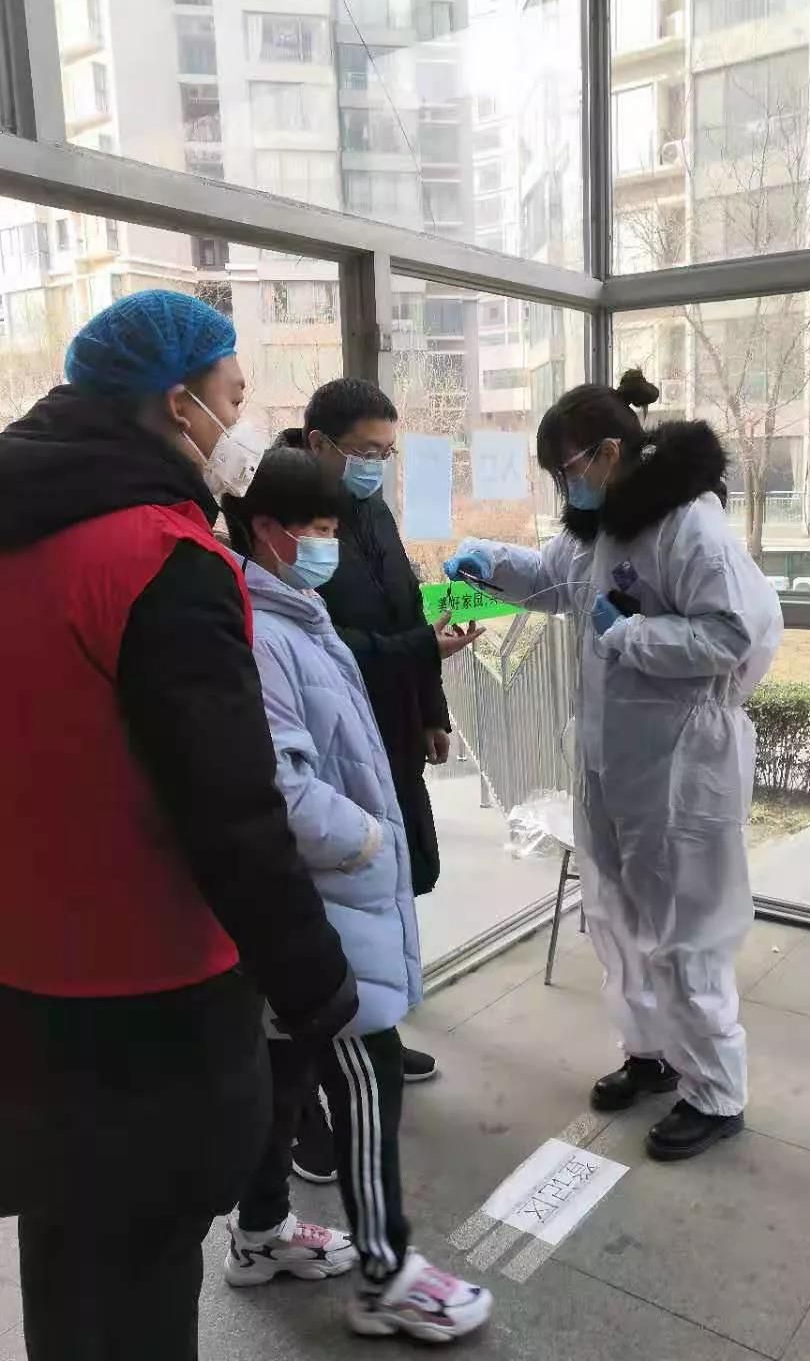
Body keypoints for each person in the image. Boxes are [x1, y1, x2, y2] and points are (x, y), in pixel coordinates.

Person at [0, 291, 358, 1361]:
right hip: (151, 1000)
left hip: (21, 979)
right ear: (177, 402)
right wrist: (315, 980)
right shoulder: (161, 560)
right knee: (147, 1269)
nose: (241, 423)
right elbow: (232, 810)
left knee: (65, 1246)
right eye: (234, 399)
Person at [444, 371, 783, 1163]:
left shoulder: (688, 527)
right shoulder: (597, 530)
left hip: (683, 762)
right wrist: (489, 564)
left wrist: (629, 635)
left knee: (686, 927)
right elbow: (553, 583)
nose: (566, 485)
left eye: (567, 468)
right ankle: (651, 1052)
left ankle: (715, 1091)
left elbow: (738, 635)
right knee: (617, 914)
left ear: (606, 452)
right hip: (612, 755)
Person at [221, 448, 493, 1342]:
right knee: (368, 1070)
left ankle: (259, 1233)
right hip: (321, 900)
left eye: (337, 529)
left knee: (287, 1071)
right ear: (269, 531)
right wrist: (371, 839)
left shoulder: (300, 616)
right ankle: (385, 1275)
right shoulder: (261, 635)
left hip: (322, 898)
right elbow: (283, 788)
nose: (329, 544)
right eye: (320, 529)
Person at [275, 378, 481, 1181]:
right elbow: (332, 649)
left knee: (392, 889)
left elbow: (404, 616)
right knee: (327, 915)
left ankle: (377, 1029)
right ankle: (307, 1110)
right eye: (366, 452)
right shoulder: (288, 524)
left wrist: (431, 707)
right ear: (319, 443)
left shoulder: (373, 512)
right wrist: (420, 651)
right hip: (330, 750)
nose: (377, 468)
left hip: (389, 734)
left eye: (387, 454)